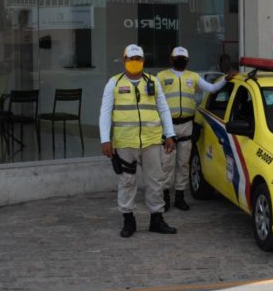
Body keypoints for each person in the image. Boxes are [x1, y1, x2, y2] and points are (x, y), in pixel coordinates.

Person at [99, 44, 177, 238]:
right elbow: (105, 113)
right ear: (124, 60)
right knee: (126, 182)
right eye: (131, 59)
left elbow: (164, 109)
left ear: (143, 61)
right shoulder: (114, 83)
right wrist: (105, 139)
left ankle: (156, 219)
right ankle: (128, 219)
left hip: (151, 141)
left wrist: (170, 134)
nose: (134, 63)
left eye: (138, 59)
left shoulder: (153, 82)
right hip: (125, 143)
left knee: (155, 181)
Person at [157, 47, 236, 211]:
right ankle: (164, 196)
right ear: (172, 59)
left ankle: (179, 196)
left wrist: (226, 79)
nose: (180, 60)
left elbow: (212, 89)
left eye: (183, 58)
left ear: (187, 61)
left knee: (183, 163)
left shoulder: (192, 77)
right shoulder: (162, 76)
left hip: (186, 124)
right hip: (167, 126)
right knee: (167, 164)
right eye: (178, 58)